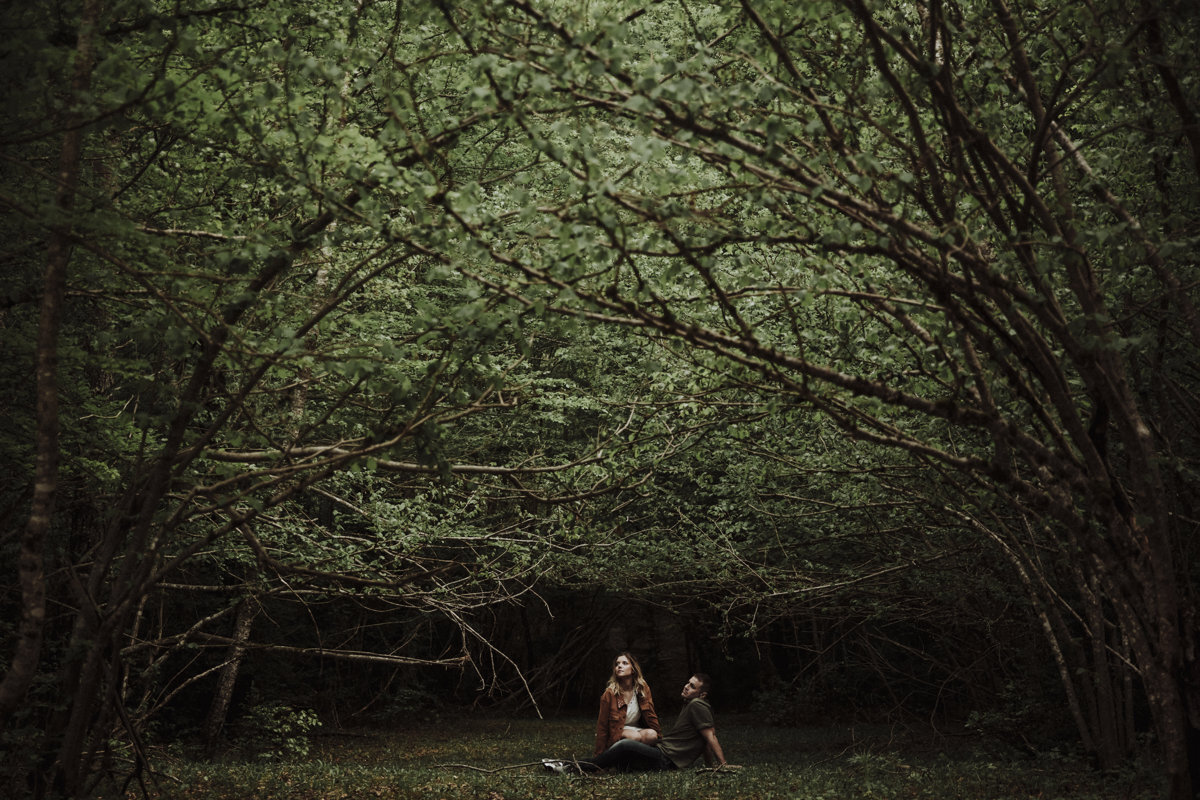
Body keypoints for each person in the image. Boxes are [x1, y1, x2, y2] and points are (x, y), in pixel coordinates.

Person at [545, 672, 735, 773]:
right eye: (688, 682)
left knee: (625, 745)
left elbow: (710, 736)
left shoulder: (697, 705)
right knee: (617, 761)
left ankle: (568, 767)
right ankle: (564, 765)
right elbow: (703, 741)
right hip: (661, 755)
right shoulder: (691, 705)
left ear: (702, 694)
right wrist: (710, 765)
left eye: (692, 686)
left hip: (665, 759)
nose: (686, 686)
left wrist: (723, 764)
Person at [594, 652, 661, 754]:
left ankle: (636, 761)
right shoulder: (610, 694)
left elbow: (651, 715)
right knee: (634, 736)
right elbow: (602, 726)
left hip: (636, 729)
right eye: (617, 664)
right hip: (617, 732)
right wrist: (599, 754)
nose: (619, 666)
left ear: (633, 669)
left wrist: (660, 740)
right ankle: (623, 761)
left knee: (652, 735)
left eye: (624, 663)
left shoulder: (642, 689)